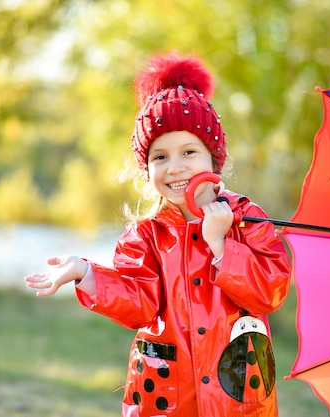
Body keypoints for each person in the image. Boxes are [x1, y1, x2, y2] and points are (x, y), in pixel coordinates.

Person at [25, 52, 292, 417]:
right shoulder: (146, 234)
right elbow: (140, 304)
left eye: (188, 152)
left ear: (213, 159)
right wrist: (87, 273)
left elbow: (270, 291)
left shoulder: (246, 218)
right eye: (160, 157)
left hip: (237, 393)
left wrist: (221, 246)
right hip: (166, 396)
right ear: (146, 168)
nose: (175, 167)